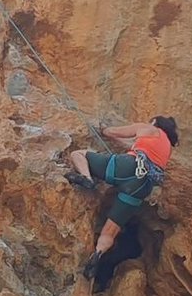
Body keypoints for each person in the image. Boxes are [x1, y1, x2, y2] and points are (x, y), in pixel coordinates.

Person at [65, 116, 179, 278]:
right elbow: (135, 146)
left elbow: (113, 132)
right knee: (110, 231)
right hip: (143, 186)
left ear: (154, 122)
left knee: (78, 154)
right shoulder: (167, 148)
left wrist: (104, 129)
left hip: (129, 167)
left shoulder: (150, 129)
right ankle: (98, 253)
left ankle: (87, 178)